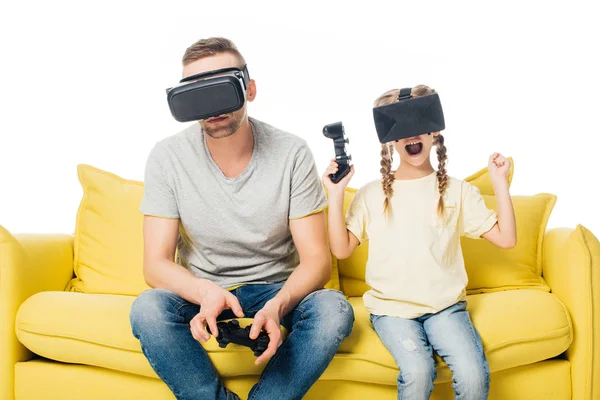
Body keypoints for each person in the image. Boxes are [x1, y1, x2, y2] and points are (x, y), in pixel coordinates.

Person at [129, 37, 354, 400]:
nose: (214, 107)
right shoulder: (167, 156)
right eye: (200, 92)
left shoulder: (291, 151)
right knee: (148, 309)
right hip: (202, 290)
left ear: (248, 89)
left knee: (334, 309)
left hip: (276, 289)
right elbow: (155, 264)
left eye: (223, 88)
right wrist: (204, 292)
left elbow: (317, 261)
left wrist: (278, 305)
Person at [323, 85, 516, 400]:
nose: (411, 135)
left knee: (472, 377)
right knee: (418, 372)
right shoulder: (372, 194)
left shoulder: (457, 191)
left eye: (419, 125)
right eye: (401, 129)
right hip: (392, 309)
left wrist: (500, 183)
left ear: (434, 131)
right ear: (390, 140)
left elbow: (506, 239)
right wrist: (335, 195)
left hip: (445, 307)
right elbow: (342, 249)